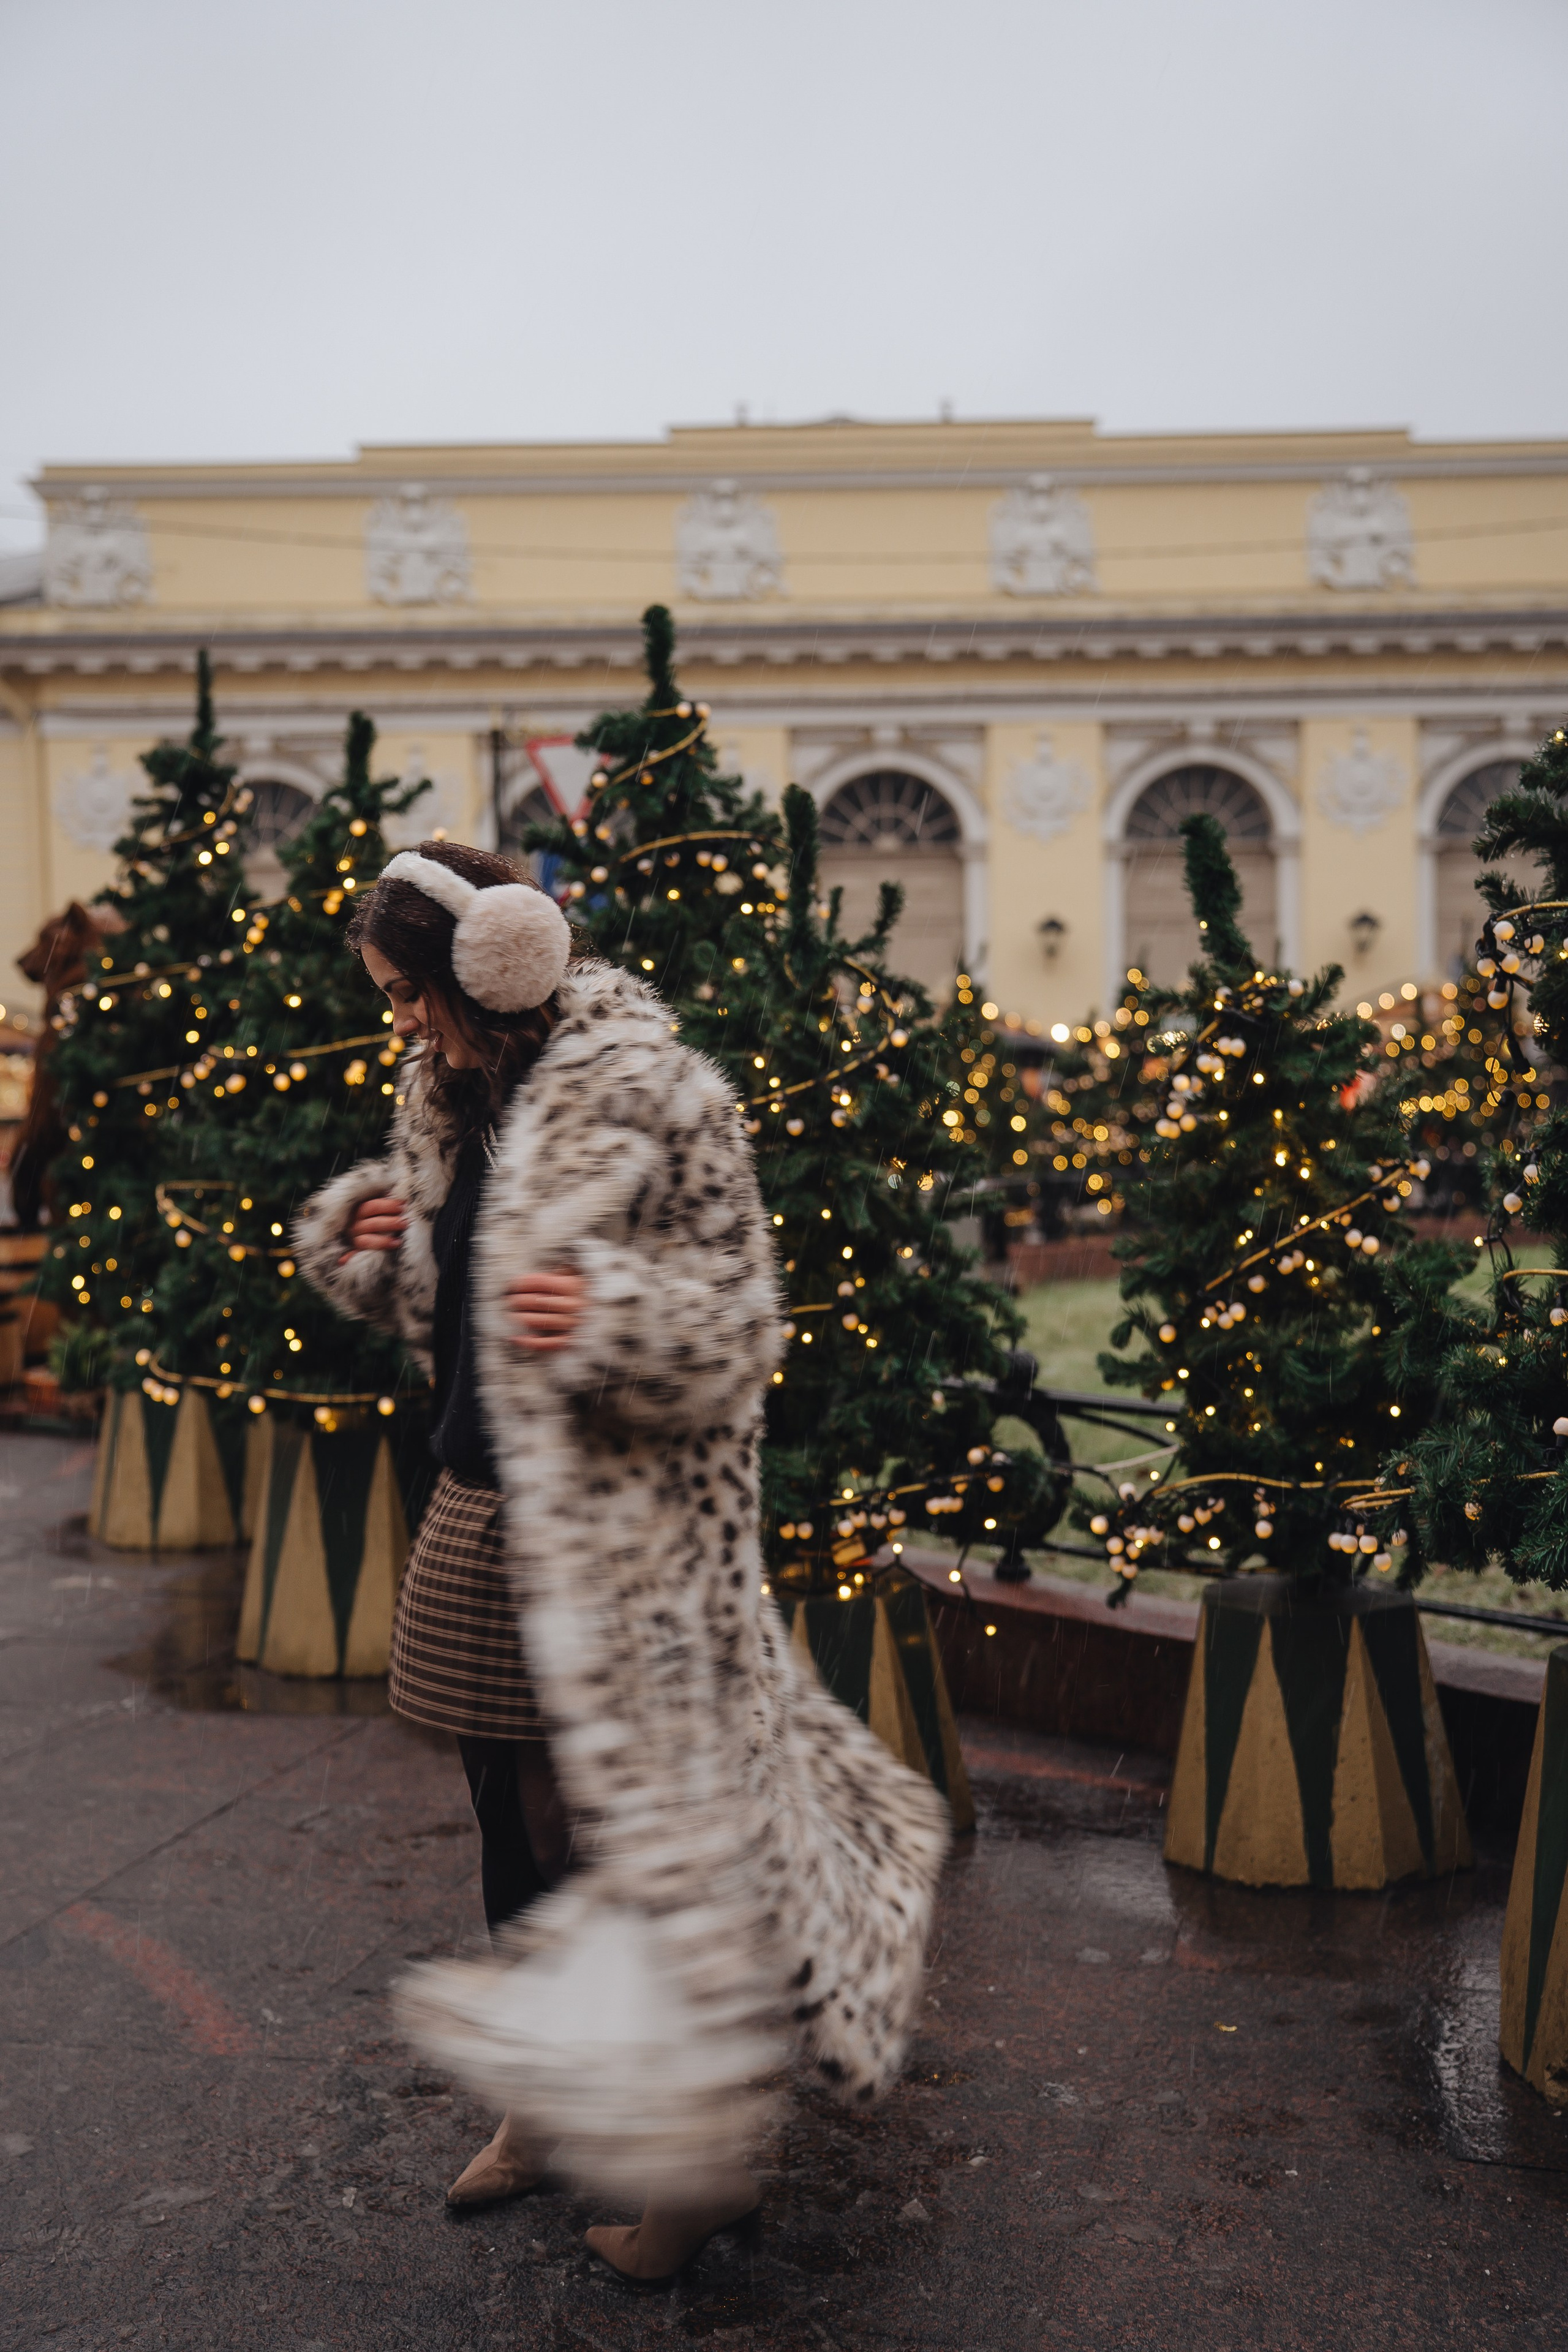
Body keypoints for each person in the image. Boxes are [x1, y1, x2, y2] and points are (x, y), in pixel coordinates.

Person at [295, 840, 948, 2287]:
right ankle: (548, 2102)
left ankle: (695, 2167)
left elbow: (735, 1321)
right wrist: (372, 1243)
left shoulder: (655, 1095)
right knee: (512, 1822)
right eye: (389, 995)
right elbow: (454, 1301)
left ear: (494, 963)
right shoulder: (448, 1095)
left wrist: (603, 1318)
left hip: (623, 1528)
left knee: (642, 1849)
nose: (400, 1020)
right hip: (480, 1498)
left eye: (410, 990)